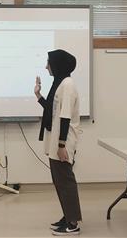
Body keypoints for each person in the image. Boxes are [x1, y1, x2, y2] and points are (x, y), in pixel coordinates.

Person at [35, 49, 82, 236]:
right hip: (56, 140)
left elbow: (65, 116)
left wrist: (62, 145)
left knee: (66, 182)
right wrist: (38, 96)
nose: (47, 66)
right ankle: (67, 216)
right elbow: (53, 110)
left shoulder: (68, 84)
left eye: (49, 63)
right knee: (59, 181)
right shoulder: (60, 83)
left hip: (63, 141)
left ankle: (73, 223)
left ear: (58, 64)